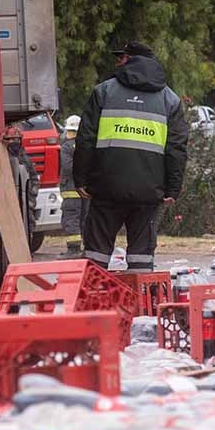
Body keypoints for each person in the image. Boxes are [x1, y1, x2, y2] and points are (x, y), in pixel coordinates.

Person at [73, 41, 188, 272]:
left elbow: (86, 138)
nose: (117, 62)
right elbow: (176, 148)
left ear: (131, 59)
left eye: (121, 57)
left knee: (96, 255)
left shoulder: (103, 92)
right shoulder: (170, 100)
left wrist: (81, 179)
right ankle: (140, 303)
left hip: (106, 189)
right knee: (141, 257)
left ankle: (95, 301)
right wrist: (172, 188)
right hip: (148, 192)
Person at [58, 115, 85, 258]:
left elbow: (68, 167)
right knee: (83, 219)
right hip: (85, 191)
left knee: (70, 219)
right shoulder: (87, 146)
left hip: (71, 190)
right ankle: (85, 249)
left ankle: (73, 250)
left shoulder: (67, 147)